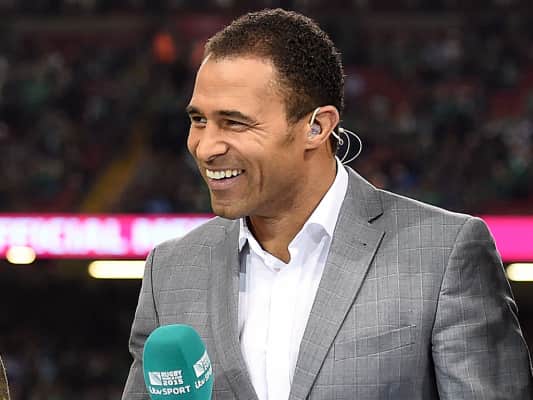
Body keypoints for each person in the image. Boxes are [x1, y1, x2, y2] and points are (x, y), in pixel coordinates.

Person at [122, 9, 532, 400]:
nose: (205, 146)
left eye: (234, 122)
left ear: (316, 127)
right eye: (198, 120)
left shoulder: (443, 254)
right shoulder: (170, 270)